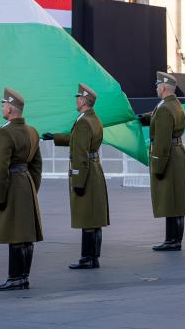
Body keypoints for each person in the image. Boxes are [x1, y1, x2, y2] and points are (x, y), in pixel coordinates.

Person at [41, 83, 109, 269]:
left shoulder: (84, 122)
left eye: (78, 97)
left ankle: (87, 258)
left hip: (85, 171)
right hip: (94, 170)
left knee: (87, 216)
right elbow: (76, 139)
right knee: (94, 217)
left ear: (83, 100)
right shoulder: (93, 119)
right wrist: (55, 137)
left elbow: (79, 152)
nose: (76, 100)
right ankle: (93, 256)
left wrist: (77, 180)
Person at [0, 87, 42, 291]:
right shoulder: (32, 131)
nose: (2, 107)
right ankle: (23, 276)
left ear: (11, 109)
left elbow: (0, 168)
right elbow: (37, 165)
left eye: (4, 104)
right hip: (26, 183)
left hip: (11, 184)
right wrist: (32, 187)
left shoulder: (5, 132)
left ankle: (14, 278)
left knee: (14, 233)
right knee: (26, 233)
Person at [146, 72, 185, 252]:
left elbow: (162, 140)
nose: (157, 88)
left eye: (158, 85)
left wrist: (156, 164)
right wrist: (146, 119)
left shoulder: (165, 108)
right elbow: (159, 118)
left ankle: (172, 241)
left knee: (170, 199)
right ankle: (173, 239)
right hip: (177, 154)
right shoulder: (174, 104)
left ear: (164, 87)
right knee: (176, 201)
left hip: (168, 156)